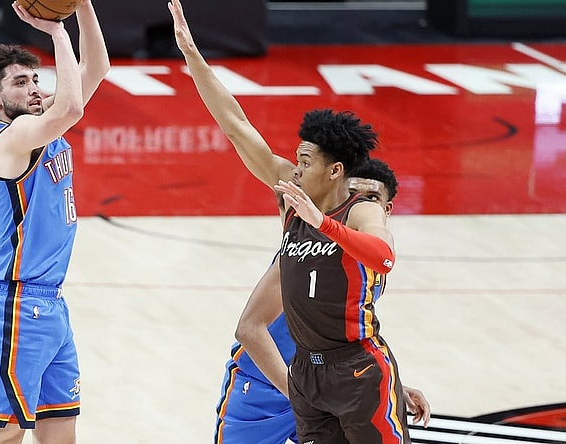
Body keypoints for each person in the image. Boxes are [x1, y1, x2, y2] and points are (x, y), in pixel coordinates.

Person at [168, 1, 413, 442]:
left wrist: (391, 383)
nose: (296, 168)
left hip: (333, 383)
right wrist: (191, 55)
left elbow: (372, 287)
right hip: (270, 379)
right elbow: (236, 124)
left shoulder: (361, 222)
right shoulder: (292, 195)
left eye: (305, 161)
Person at [0, 2, 108, 443]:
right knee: (4, 435)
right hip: (17, 305)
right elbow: (71, 109)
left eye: (35, 79)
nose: (34, 88)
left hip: (52, 306)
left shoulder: (38, 123)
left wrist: (82, 6)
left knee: (60, 431)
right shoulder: (10, 139)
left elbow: (97, 68)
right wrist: (56, 31)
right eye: (20, 82)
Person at [215, 159, 427, 444]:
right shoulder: (305, 248)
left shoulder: (370, 264)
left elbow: (349, 345)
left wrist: (390, 386)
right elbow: (249, 329)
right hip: (266, 386)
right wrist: (301, 394)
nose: (360, 204)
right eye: (354, 195)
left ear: (385, 209)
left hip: (324, 391)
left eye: (371, 199)